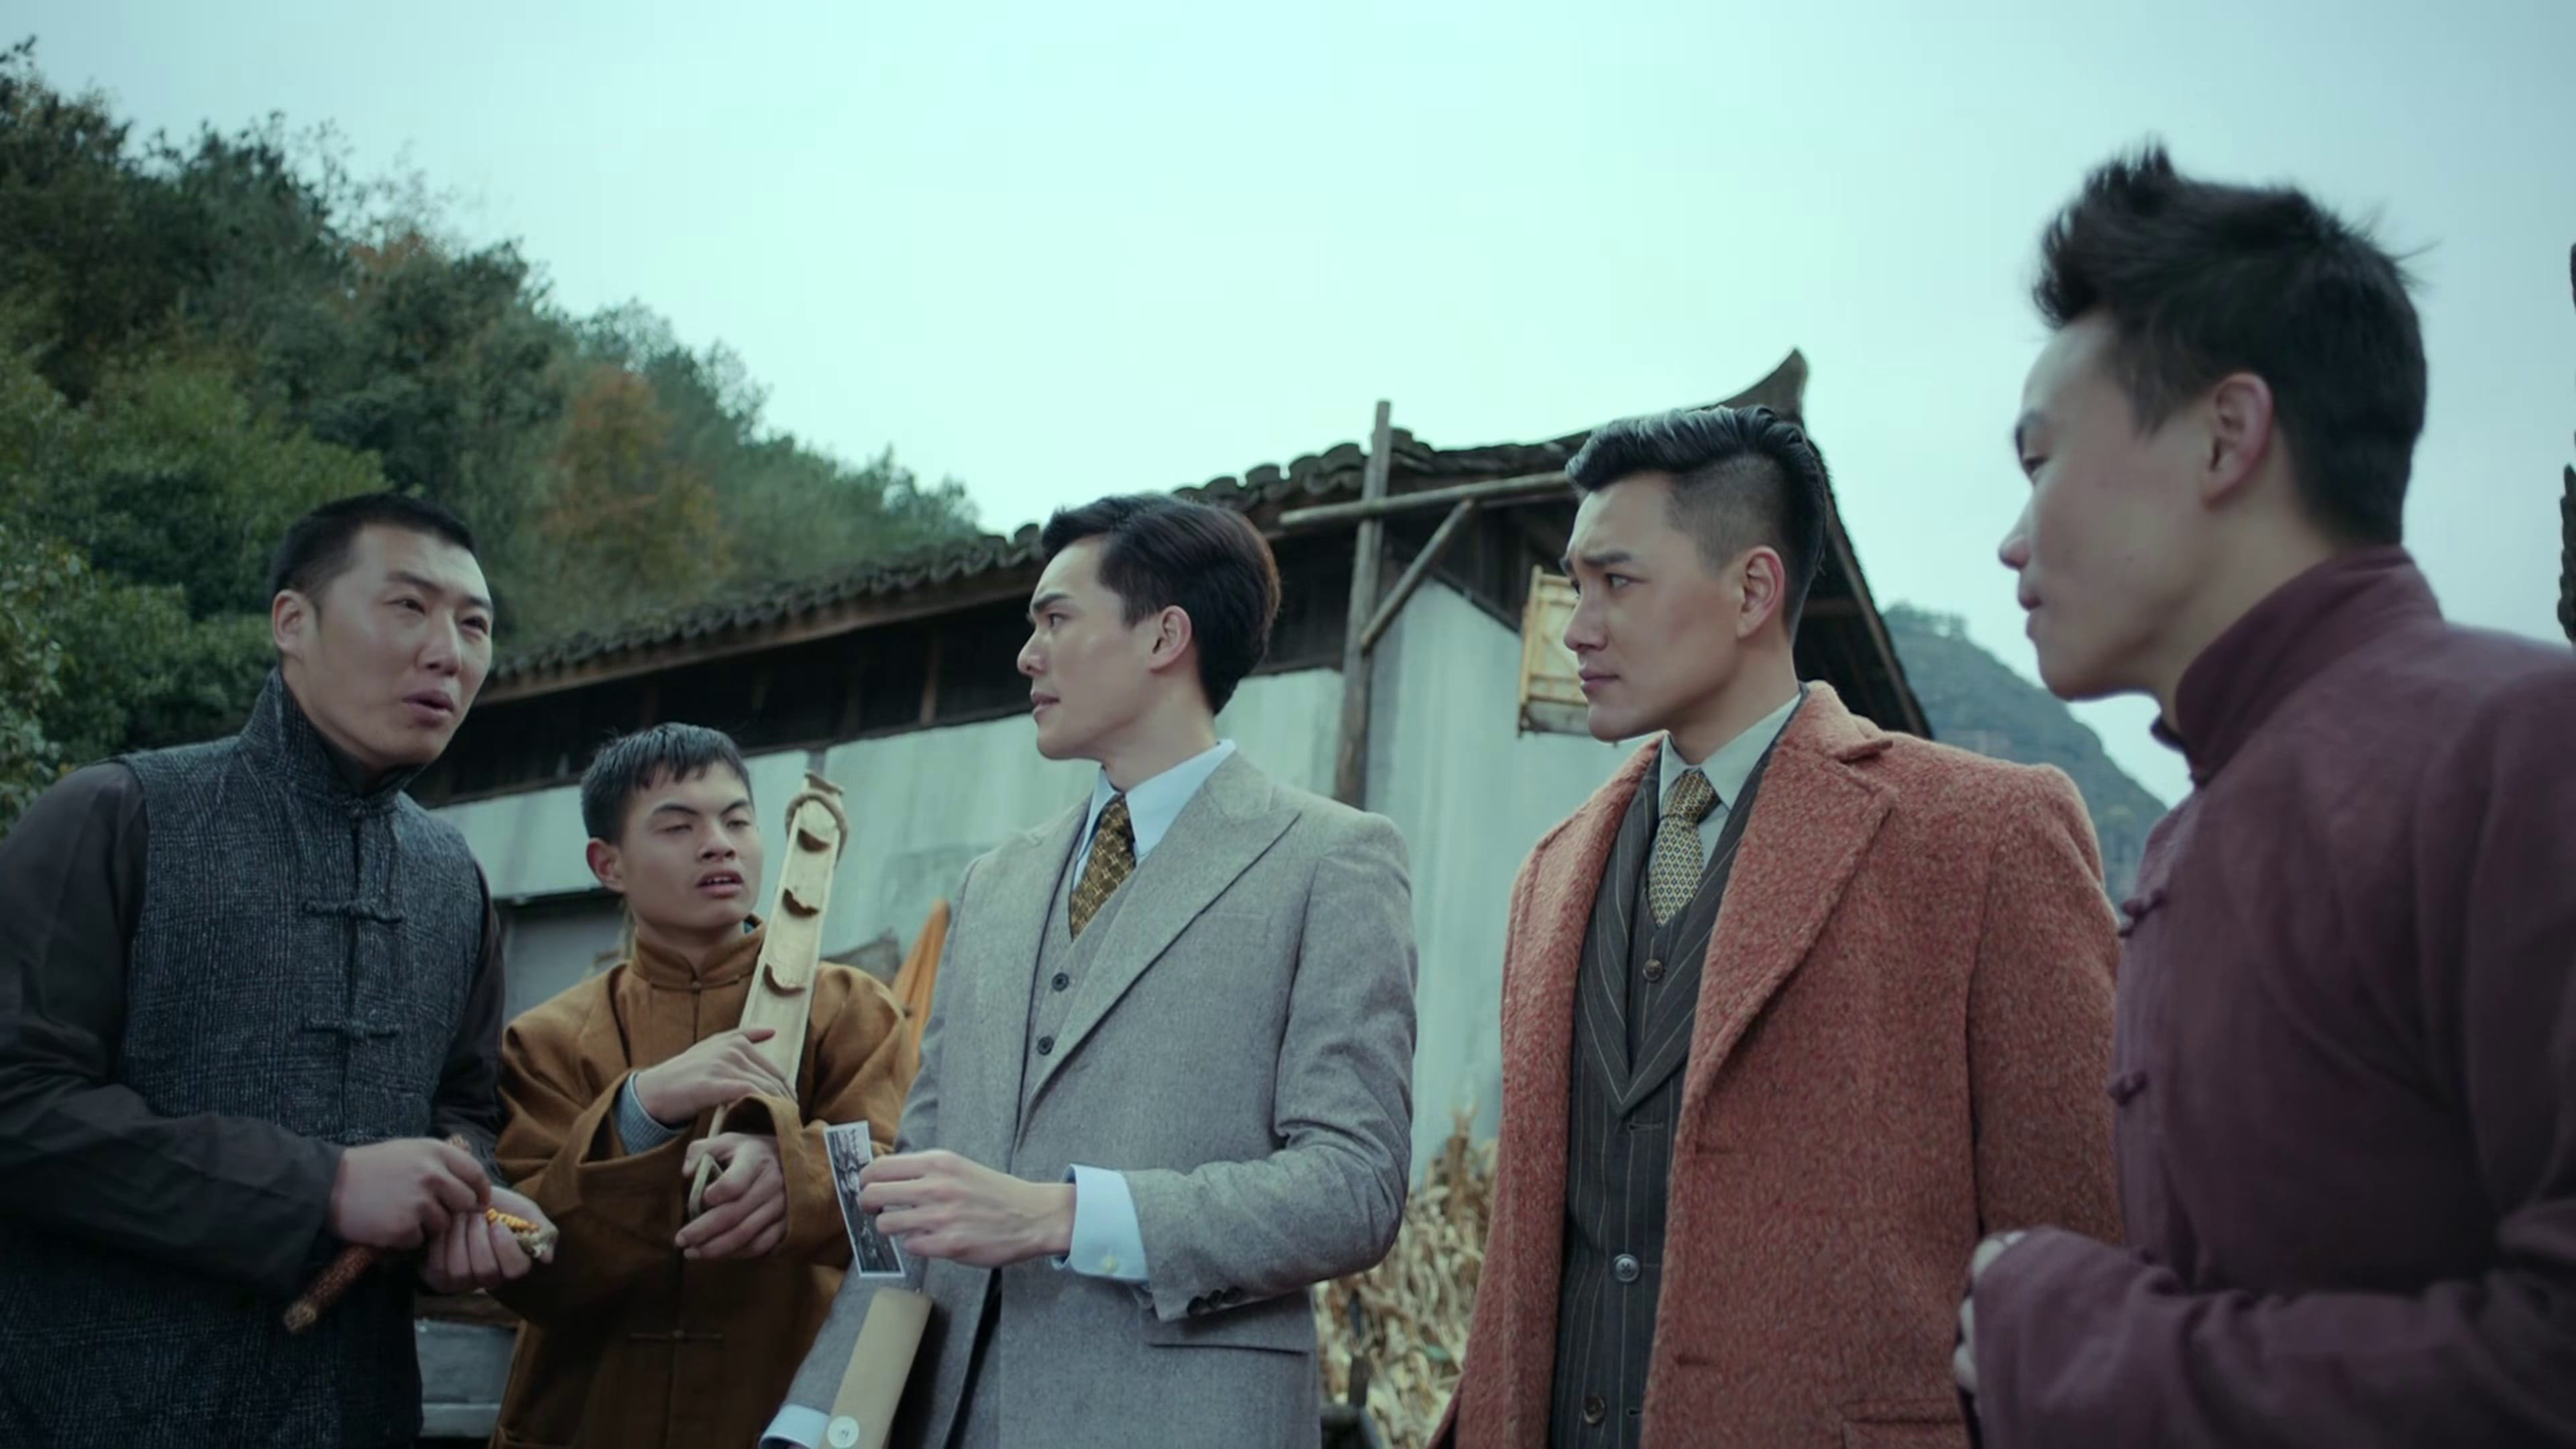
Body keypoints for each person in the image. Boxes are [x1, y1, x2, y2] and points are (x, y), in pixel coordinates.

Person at [1961, 145, 2576, 1446]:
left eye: (2039, 461)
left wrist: (2069, 1341)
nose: (2012, 541)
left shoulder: (2526, 749)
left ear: (2227, 436)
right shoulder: (2203, 824)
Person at [1436, 405, 2123, 1448]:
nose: (1579, 626)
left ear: (1753, 590)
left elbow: (2082, 1251)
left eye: (1618, 582)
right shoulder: (1551, 871)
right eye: (1578, 584)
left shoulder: (1985, 836)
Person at [763, 494, 1419, 1449]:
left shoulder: (1330, 859)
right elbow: (917, 1183)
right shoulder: (995, 881)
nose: (1027, 656)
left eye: (1055, 620)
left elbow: (1353, 1188)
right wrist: (817, 1417)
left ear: (1165, 637)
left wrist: (1068, 1216)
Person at [0, 492, 547, 1448]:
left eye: (475, 625)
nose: (448, 653)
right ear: (293, 622)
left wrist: (460, 1196)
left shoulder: (451, 880)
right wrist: (320, 1187)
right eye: (408, 607)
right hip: (93, 1410)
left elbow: (465, 1108)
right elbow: (19, 1107)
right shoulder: (119, 814)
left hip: (359, 1412)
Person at [486, 722, 916, 1449]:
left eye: (737, 821)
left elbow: (904, 1206)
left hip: (788, 1418)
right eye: (678, 826)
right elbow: (530, 1264)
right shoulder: (546, 1042)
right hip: (585, 1420)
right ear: (608, 864)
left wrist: (795, 1175)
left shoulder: (853, 1011)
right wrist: (640, 1110)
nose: (718, 844)